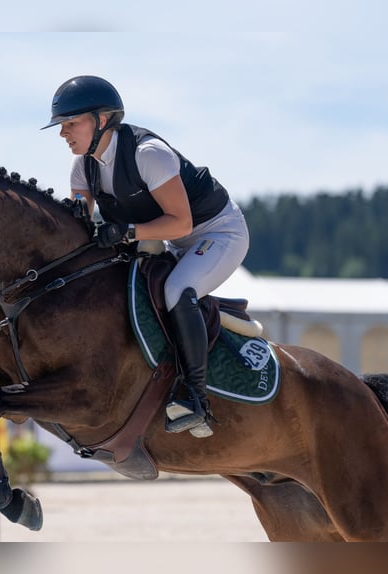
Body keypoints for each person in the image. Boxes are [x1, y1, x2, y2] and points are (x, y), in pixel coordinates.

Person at [42, 75, 249, 438]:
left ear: (102, 119)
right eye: (62, 125)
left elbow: (181, 223)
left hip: (216, 233)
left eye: (71, 123)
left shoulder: (146, 153)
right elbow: (78, 227)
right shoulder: (82, 167)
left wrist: (127, 231)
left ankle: (195, 398)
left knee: (176, 289)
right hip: (167, 237)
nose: (63, 133)